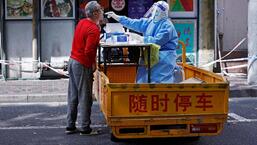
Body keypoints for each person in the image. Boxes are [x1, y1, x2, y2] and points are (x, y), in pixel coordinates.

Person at [106, 1, 178, 83]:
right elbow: (134, 23)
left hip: (163, 59)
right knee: (144, 81)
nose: (155, 13)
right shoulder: (151, 22)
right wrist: (118, 18)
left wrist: (141, 38)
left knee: (160, 84)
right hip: (150, 55)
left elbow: (157, 41)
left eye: (157, 11)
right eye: (155, 11)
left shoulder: (167, 26)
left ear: (164, 13)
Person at [66, 1, 103, 135]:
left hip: (73, 60)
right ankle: (85, 127)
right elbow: (89, 51)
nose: (102, 11)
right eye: (100, 10)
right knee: (85, 97)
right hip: (82, 63)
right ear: (95, 13)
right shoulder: (94, 29)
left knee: (73, 95)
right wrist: (93, 64)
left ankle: (70, 125)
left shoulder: (82, 22)